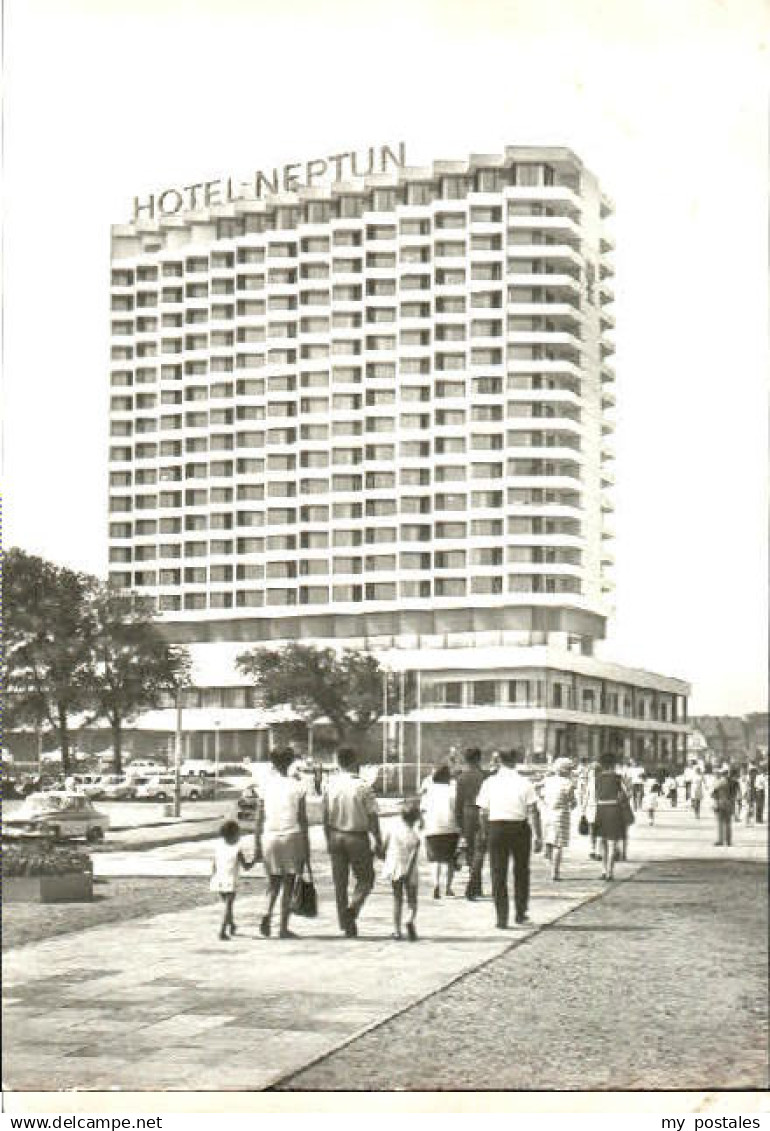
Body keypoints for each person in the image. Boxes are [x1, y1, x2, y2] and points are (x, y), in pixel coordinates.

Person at [476, 748, 542, 928]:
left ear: (499, 761)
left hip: (496, 827)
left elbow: (482, 811)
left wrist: (484, 832)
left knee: (498, 873)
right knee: (521, 872)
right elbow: (533, 811)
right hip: (519, 828)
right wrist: (538, 836)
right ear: (515, 760)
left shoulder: (490, 782)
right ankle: (521, 913)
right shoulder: (524, 782)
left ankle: (501, 917)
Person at [323, 745, 383, 937]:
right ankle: (353, 909)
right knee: (366, 879)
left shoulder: (329, 784)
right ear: (354, 761)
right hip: (356, 837)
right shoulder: (363, 786)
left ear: (338, 762)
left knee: (340, 883)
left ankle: (345, 923)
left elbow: (325, 815)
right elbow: (373, 816)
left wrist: (328, 838)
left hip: (335, 834)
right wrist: (379, 840)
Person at [255, 747, 311, 940]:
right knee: (288, 883)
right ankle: (283, 927)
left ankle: (266, 913)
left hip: (269, 835)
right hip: (291, 835)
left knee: (272, 882)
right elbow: (302, 819)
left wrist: (256, 842)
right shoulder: (298, 786)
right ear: (291, 762)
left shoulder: (265, 785)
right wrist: (307, 846)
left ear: (272, 762)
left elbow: (259, 818)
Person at [382, 799, 421, 941]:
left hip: (394, 867)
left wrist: (384, 856)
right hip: (410, 871)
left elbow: (384, 846)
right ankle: (409, 919)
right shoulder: (415, 837)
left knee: (397, 899)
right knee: (412, 900)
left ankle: (397, 930)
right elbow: (413, 857)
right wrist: (408, 872)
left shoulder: (393, 829)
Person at [421, 764, 460, 899]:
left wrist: (422, 825)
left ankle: (436, 884)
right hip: (450, 827)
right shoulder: (453, 790)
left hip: (432, 828)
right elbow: (457, 809)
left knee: (434, 859)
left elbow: (422, 810)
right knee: (450, 859)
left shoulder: (428, 791)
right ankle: (448, 888)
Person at [210, 819, 253, 941]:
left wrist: (214, 876)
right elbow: (246, 867)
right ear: (234, 835)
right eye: (238, 834)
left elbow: (214, 863)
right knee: (228, 906)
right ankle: (222, 931)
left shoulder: (218, 846)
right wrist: (255, 860)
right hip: (230, 880)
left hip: (218, 878)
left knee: (227, 905)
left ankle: (232, 924)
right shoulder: (237, 849)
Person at [455, 747, 487, 900]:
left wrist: (458, 822)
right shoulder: (485, 776)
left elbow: (458, 802)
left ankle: (476, 883)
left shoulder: (461, 778)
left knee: (470, 851)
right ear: (478, 758)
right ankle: (474, 884)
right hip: (483, 814)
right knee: (480, 850)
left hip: (467, 814)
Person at [594, 752, 628, 881]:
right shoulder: (618, 777)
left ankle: (603, 870)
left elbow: (596, 795)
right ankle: (610, 872)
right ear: (613, 764)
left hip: (601, 809)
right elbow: (627, 792)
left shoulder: (598, 778)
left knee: (602, 841)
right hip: (614, 809)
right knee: (612, 843)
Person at [542, 757, 575, 881]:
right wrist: (573, 803)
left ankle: (549, 860)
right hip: (561, 814)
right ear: (566, 770)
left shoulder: (548, 780)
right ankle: (555, 872)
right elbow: (571, 800)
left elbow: (540, 792)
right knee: (558, 845)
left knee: (550, 841)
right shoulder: (568, 783)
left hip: (547, 813)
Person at [711, 765, 733, 847]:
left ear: (722, 774)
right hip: (729, 804)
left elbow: (713, 793)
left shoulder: (719, 782)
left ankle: (720, 840)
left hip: (720, 803)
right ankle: (728, 841)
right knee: (728, 823)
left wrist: (715, 803)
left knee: (720, 823)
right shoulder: (732, 782)